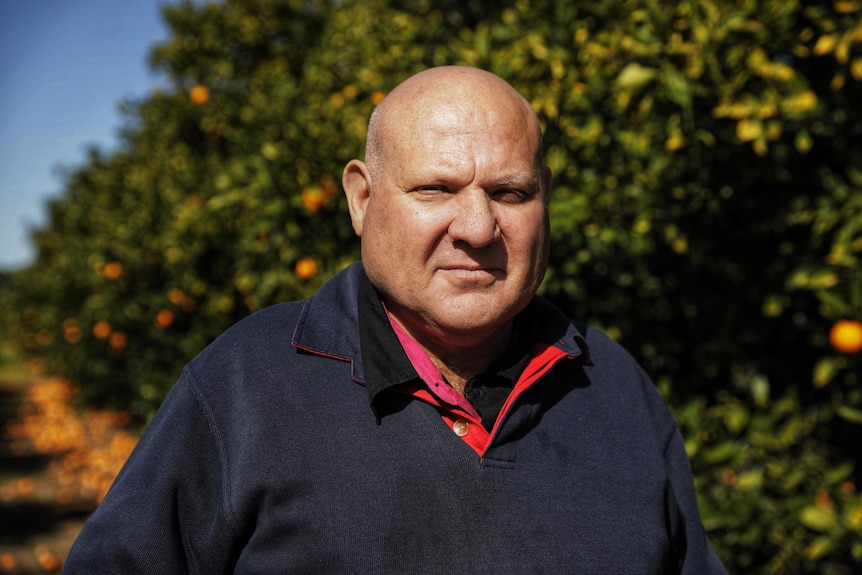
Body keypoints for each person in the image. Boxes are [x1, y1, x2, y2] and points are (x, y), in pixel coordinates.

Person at [63, 66, 727, 574]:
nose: (476, 227)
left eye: (510, 193)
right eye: (435, 189)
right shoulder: (245, 384)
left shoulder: (614, 389)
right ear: (360, 199)